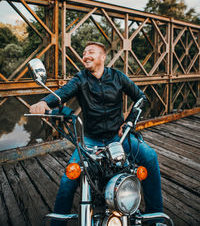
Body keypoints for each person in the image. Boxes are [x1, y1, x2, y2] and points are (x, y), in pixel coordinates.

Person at [30, 41, 164, 226]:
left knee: (149, 155)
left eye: (91, 52)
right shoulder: (80, 79)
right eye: (84, 53)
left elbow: (141, 97)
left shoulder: (118, 77)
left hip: (118, 137)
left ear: (103, 57)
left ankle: (156, 216)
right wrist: (44, 102)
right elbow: (62, 93)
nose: (85, 55)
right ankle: (57, 222)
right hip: (90, 139)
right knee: (69, 176)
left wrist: (130, 122)